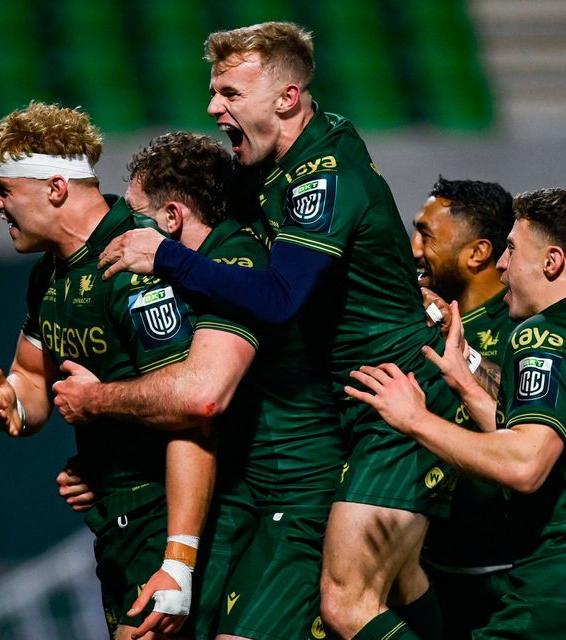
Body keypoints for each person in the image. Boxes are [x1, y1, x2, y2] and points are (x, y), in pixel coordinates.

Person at [96, 21, 462, 640]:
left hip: (399, 396)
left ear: (287, 98)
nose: (214, 106)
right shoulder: (282, 159)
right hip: (355, 400)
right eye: (215, 92)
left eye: (231, 94)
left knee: (347, 603)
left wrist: (167, 257)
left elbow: (278, 298)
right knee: (397, 585)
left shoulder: (324, 176)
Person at [52, 130, 346, 640]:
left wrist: (94, 400)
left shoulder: (233, 263)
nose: (124, 229)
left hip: (294, 494)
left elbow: (200, 397)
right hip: (242, 488)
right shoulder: (202, 267)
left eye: (136, 217)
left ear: (171, 219)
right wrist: (100, 466)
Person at [346, 188, 566, 638]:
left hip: (564, 603)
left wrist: (416, 420)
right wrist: (465, 377)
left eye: (513, 250)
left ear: (552, 262)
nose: (502, 266)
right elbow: (538, 438)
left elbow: (525, 464)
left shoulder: (544, 335)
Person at [0, 106, 241, 640]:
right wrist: (16, 402)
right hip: (113, 521)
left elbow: (191, 411)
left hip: (170, 517)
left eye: (5, 190)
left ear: (56, 187)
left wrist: (178, 558)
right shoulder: (48, 274)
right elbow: (32, 375)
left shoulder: (137, 258)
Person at [410, 178, 517, 639]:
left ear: (478, 254)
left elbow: (520, 417)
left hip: (504, 577)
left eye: (426, 235)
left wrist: (453, 338)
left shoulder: (525, 325)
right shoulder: (409, 319)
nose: (413, 249)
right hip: (425, 570)